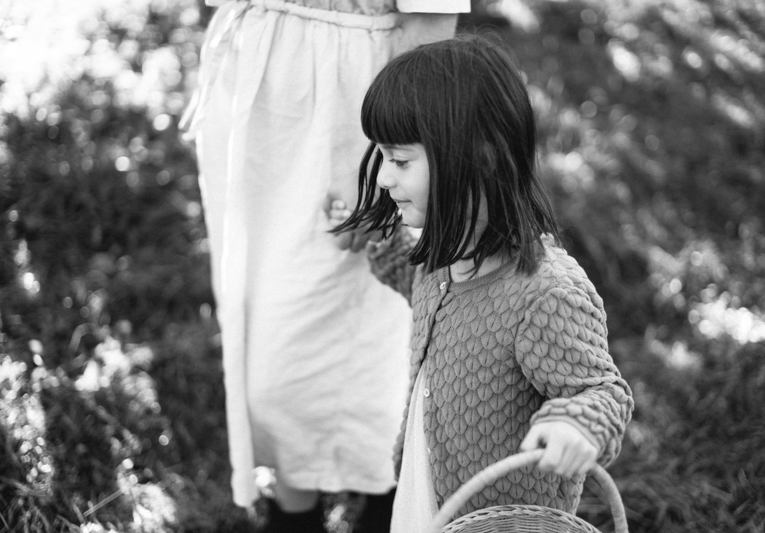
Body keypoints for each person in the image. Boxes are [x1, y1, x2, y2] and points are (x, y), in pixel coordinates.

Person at [180, 1, 470, 532]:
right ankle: (296, 507)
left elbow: (430, 19)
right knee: (268, 325)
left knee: (377, 323)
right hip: (259, 93)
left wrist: (398, 149)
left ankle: (390, 499)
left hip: (354, 103)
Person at [330, 35, 635, 532]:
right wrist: (365, 235)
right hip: (426, 499)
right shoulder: (442, 257)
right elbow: (412, 276)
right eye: (382, 159)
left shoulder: (545, 293)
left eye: (401, 161)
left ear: (480, 158)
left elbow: (601, 389)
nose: (383, 178)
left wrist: (577, 422)